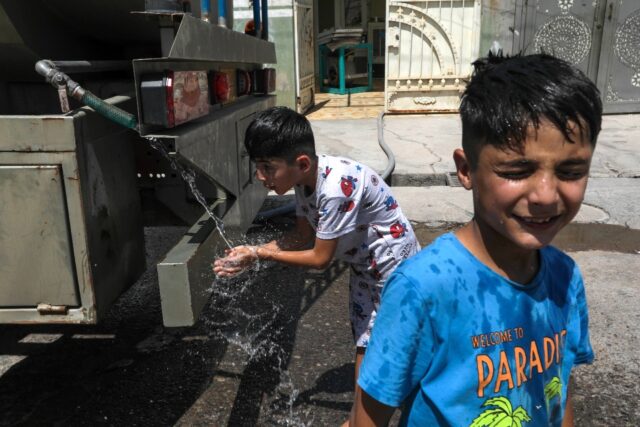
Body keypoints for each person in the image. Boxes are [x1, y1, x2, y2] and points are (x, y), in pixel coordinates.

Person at [350, 52, 602, 427]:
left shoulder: (565, 277)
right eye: (518, 170)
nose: (546, 195)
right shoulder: (423, 288)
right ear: (466, 169)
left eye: (570, 171)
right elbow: (368, 418)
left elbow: (560, 390)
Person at [213, 106, 421, 413]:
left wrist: (262, 253)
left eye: (268, 168)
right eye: (258, 166)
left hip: (392, 265)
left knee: (397, 341)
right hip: (365, 266)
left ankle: (414, 409)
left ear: (301, 162)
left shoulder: (336, 188)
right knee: (366, 340)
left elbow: (320, 258)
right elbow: (301, 236)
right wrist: (251, 253)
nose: (260, 177)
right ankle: (364, 416)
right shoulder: (305, 180)